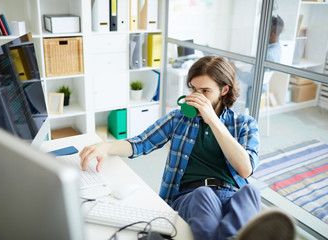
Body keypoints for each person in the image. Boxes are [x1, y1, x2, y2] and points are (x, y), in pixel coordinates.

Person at [79, 56, 263, 240]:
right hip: (191, 196)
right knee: (204, 194)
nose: (197, 96)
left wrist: (213, 121)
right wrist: (107, 147)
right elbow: (141, 142)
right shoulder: (178, 119)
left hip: (230, 193)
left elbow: (245, 169)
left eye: (205, 91)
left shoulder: (244, 124)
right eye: (193, 89)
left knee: (251, 192)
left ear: (224, 90)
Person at [236, 15, 284, 108]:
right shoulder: (277, 48)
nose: (261, 34)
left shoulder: (268, 55)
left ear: (272, 35)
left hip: (252, 92)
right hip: (262, 87)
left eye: (264, 32)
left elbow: (251, 80)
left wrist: (235, 69)